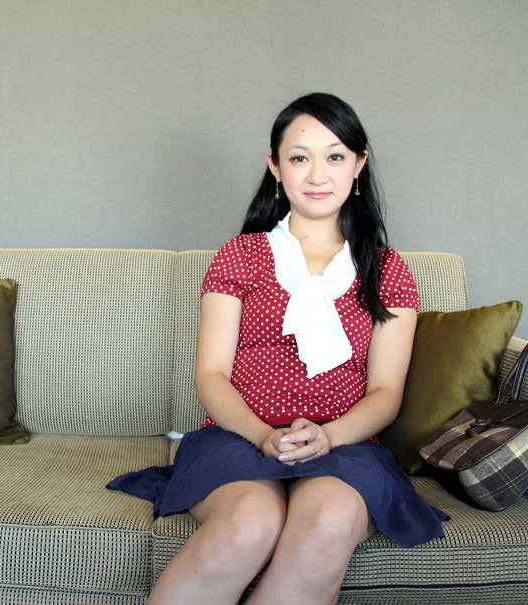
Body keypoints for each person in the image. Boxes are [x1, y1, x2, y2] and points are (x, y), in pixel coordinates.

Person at [107, 92, 448, 604]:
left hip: (346, 444)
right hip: (239, 437)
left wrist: (329, 436)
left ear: (359, 164)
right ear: (275, 167)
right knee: (250, 521)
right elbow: (211, 375)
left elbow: (385, 392)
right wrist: (264, 435)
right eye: (299, 157)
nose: (317, 175)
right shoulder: (240, 255)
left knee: (327, 522)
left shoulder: (387, 269)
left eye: (335, 156)